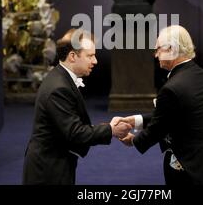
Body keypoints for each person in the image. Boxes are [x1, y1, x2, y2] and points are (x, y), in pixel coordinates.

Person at [116, 25, 203, 185]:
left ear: (172, 49)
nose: (155, 55)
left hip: (187, 170)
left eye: (158, 49)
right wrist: (136, 120)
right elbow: (176, 114)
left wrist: (134, 141)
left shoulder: (172, 87)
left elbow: (159, 127)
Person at [22, 28, 131, 185]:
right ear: (72, 56)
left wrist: (108, 127)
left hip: (54, 163)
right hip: (47, 172)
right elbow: (75, 133)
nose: (95, 61)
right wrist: (111, 130)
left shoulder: (60, 77)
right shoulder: (59, 88)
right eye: (90, 56)